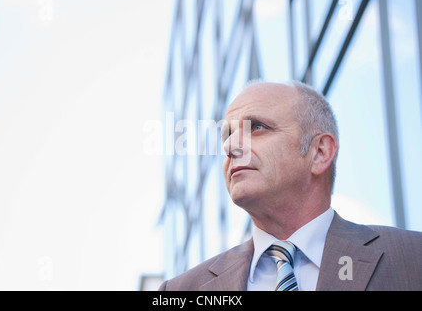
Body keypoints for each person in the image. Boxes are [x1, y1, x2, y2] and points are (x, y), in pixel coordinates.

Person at [158, 81, 422, 291]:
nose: (230, 147)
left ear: (319, 152)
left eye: (258, 127)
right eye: (228, 135)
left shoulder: (412, 259)